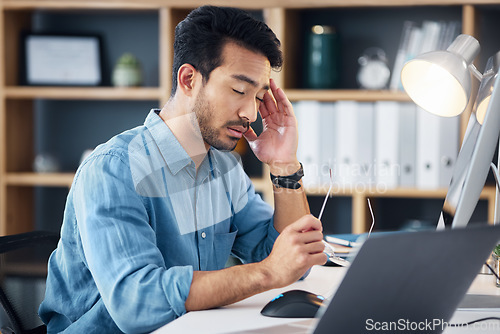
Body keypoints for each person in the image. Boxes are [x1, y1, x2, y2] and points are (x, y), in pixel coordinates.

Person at [39, 5, 327, 333]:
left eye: (259, 97)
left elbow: (290, 261)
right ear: (188, 79)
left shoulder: (225, 168)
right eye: (238, 90)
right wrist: (266, 273)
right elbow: (136, 303)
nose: (250, 112)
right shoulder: (112, 170)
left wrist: (283, 164)